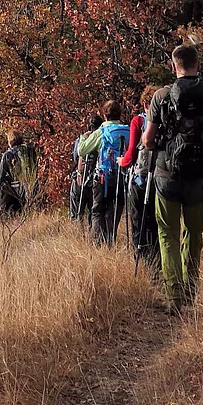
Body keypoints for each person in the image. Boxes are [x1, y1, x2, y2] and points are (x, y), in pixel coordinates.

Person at [142, 44, 203, 311]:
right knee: (193, 234)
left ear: (174, 67)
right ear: (198, 66)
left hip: (167, 176)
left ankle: (174, 296)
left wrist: (156, 144)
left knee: (167, 234)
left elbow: (147, 140)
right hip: (200, 177)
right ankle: (191, 293)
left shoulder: (161, 96)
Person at [120, 88, 161, 270]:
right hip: (161, 179)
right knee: (156, 222)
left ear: (145, 104)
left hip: (141, 180)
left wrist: (121, 162)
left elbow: (130, 156)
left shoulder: (138, 121)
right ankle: (158, 261)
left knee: (139, 221)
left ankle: (143, 259)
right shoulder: (168, 121)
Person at [92, 100, 128, 246]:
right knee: (115, 210)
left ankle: (97, 245)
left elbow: (82, 150)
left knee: (98, 211)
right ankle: (110, 241)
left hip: (103, 176)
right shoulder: (128, 131)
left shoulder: (101, 131)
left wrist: (83, 138)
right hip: (122, 176)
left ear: (105, 115)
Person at [70, 123, 103, 224]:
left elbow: (76, 157)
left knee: (77, 210)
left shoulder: (81, 140)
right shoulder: (102, 138)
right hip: (96, 180)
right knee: (93, 212)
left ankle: (76, 230)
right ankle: (92, 231)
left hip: (80, 178)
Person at [0, 131, 29, 216]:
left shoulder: (8, 154)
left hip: (10, 190)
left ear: (11, 141)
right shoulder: (27, 152)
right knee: (21, 213)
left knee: (5, 214)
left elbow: (2, 174)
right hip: (25, 188)